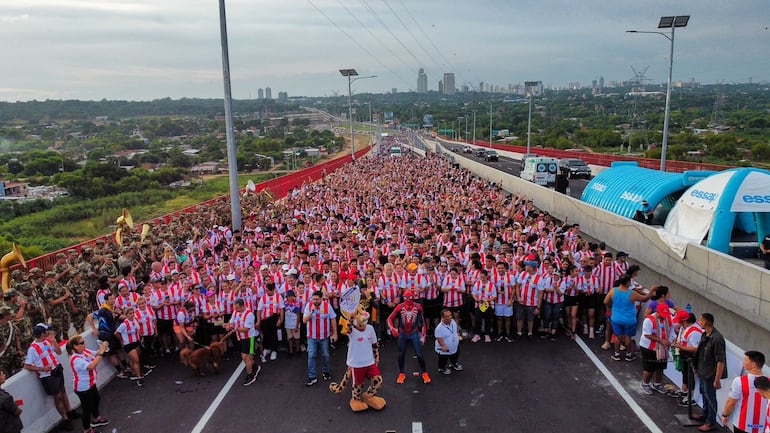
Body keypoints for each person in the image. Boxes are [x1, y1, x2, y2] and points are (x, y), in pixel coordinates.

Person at [24, 323, 79, 431]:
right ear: (42, 333)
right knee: (57, 396)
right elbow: (27, 365)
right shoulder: (32, 349)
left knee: (63, 391)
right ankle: (65, 418)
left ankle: (70, 411)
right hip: (48, 375)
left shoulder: (48, 341)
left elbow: (58, 352)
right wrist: (42, 369)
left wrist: (54, 341)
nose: (48, 333)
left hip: (57, 369)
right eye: (46, 332)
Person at [603, 277, 656, 362]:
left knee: (618, 336)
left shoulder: (613, 291)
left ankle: (616, 354)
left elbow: (606, 301)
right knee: (628, 337)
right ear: (627, 283)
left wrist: (611, 308)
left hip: (616, 318)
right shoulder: (632, 293)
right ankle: (628, 355)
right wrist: (651, 291)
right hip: (629, 319)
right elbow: (645, 299)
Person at [66, 336, 110, 433]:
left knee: (96, 399)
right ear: (75, 346)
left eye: (84, 342)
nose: (84, 344)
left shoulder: (85, 351)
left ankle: (96, 419)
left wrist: (103, 346)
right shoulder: (76, 359)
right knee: (87, 409)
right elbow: (91, 366)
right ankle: (86, 430)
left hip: (90, 384)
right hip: (83, 388)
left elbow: (97, 353)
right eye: (81, 343)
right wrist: (102, 352)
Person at [693, 313, 727, 432]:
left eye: (701, 320)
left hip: (710, 374)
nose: (699, 322)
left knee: (711, 397)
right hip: (702, 371)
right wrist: (696, 366)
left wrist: (717, 379)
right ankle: (705, 414)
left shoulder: (717, 339)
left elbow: (720, 361)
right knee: (704, 394)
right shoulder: (705, 334)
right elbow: (701, 353)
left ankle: (711, 422)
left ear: (706, 322)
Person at [387, 290, 430, 385]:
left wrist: (423, 335)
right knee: (401, 354)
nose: (408, 302)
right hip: (403, 333)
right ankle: (402, 373)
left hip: (413, 332)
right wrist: (393, 329)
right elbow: (389, 318)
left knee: (419, 354)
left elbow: (422, 322)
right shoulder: (400, 307)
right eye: (406, 299)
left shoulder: (418, 307)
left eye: (409, 299)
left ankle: (424, 372)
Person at [720, 351, 767, 433]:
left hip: (742, 425)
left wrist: (725, 415)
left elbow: (731, 402)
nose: (743, 362)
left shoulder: (739, 381)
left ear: (753, 365)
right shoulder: (768, 382)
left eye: (745, 360)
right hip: (762, 427)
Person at [303, 291, 337, 386]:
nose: (315, 301)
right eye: (314, 299)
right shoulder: (308, 306)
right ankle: (312, 376)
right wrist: (311, 311)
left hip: (324, 336)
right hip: (311, 337)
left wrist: (335, 333)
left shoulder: (327, 306)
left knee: (325, 355)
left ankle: (325, 371)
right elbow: (304, 320)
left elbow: (333, 319)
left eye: (317, 299)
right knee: (311, 355)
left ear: (322, 298)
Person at [225, 298, 262, 386]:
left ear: (242, 306)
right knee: (244, 358)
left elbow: (246, 329)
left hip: (250, 338)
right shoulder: (235, 312)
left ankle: (250, 376)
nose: (235, 310)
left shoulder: (249, 315)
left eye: (237, 308)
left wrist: (235, 328)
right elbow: (231, 322)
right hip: (240, 338)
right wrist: (228, 325)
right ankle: (255, 367)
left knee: (247, 357)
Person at [638, 303, 672, 395]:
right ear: (657, 312)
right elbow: (647, 335)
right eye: (662, 315)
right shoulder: (649, 320)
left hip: (661, 347)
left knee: (660, 366)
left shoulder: (667, 319)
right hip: (648, 347)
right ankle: (645, 384)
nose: (663, 317)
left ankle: (657, 384)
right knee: (649, 367)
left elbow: (672, 328)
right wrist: (661, 340)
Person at [434, 308, 462, 375]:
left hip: (455, 346)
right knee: (443, 359)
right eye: (447, 316)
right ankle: (442, 368)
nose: (449, 317)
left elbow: (455, 331)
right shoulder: (439, 328)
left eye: (450, 315)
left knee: (456, 355)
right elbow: (439, 337)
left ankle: (453, 364)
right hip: (444, 349)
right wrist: (443, 346)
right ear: (442, 317)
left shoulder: (453, 322)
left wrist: (458, 336)